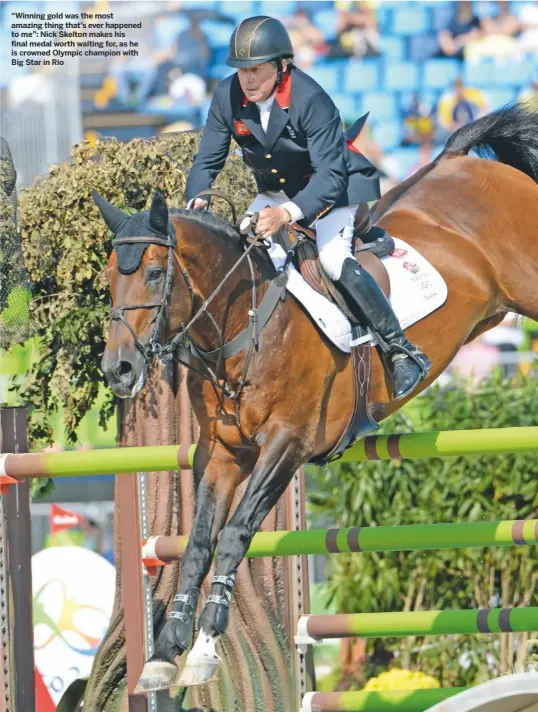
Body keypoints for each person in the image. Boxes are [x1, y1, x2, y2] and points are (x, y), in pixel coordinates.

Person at [186, 16, 430, 400]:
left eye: (256, 69)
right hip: (277, 191)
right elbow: (208, 158)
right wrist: (197, 194)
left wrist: (286, 215)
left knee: (332, 259)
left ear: (281, 65)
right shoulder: (226, 96)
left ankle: (401, 350)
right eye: (241, 70)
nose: (246, 79)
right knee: (245, 249)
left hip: (331, 189)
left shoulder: (310, 99)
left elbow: (330, 177)